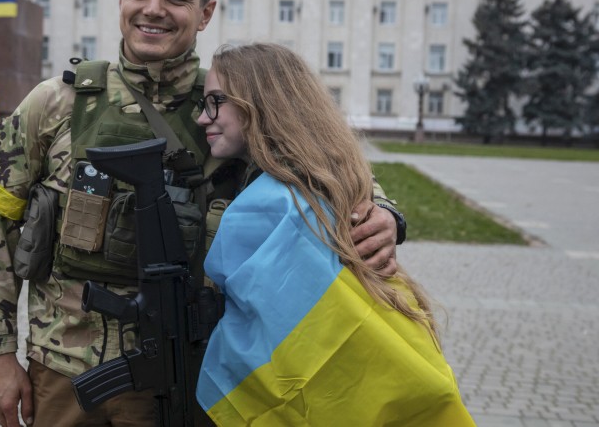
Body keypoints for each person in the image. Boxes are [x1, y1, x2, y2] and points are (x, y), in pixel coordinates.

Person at [0, 0, 403, 427]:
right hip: (63, 371)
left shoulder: (235, 105)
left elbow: (328, 164)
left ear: (205, 13)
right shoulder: (54, 103)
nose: (153, 8)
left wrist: (385, 214)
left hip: (189, 372)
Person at [194, 43, 475, 426]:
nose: (201, 117)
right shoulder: (328, 183)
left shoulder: (274, 205)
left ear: (259, 101)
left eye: (215, 101)